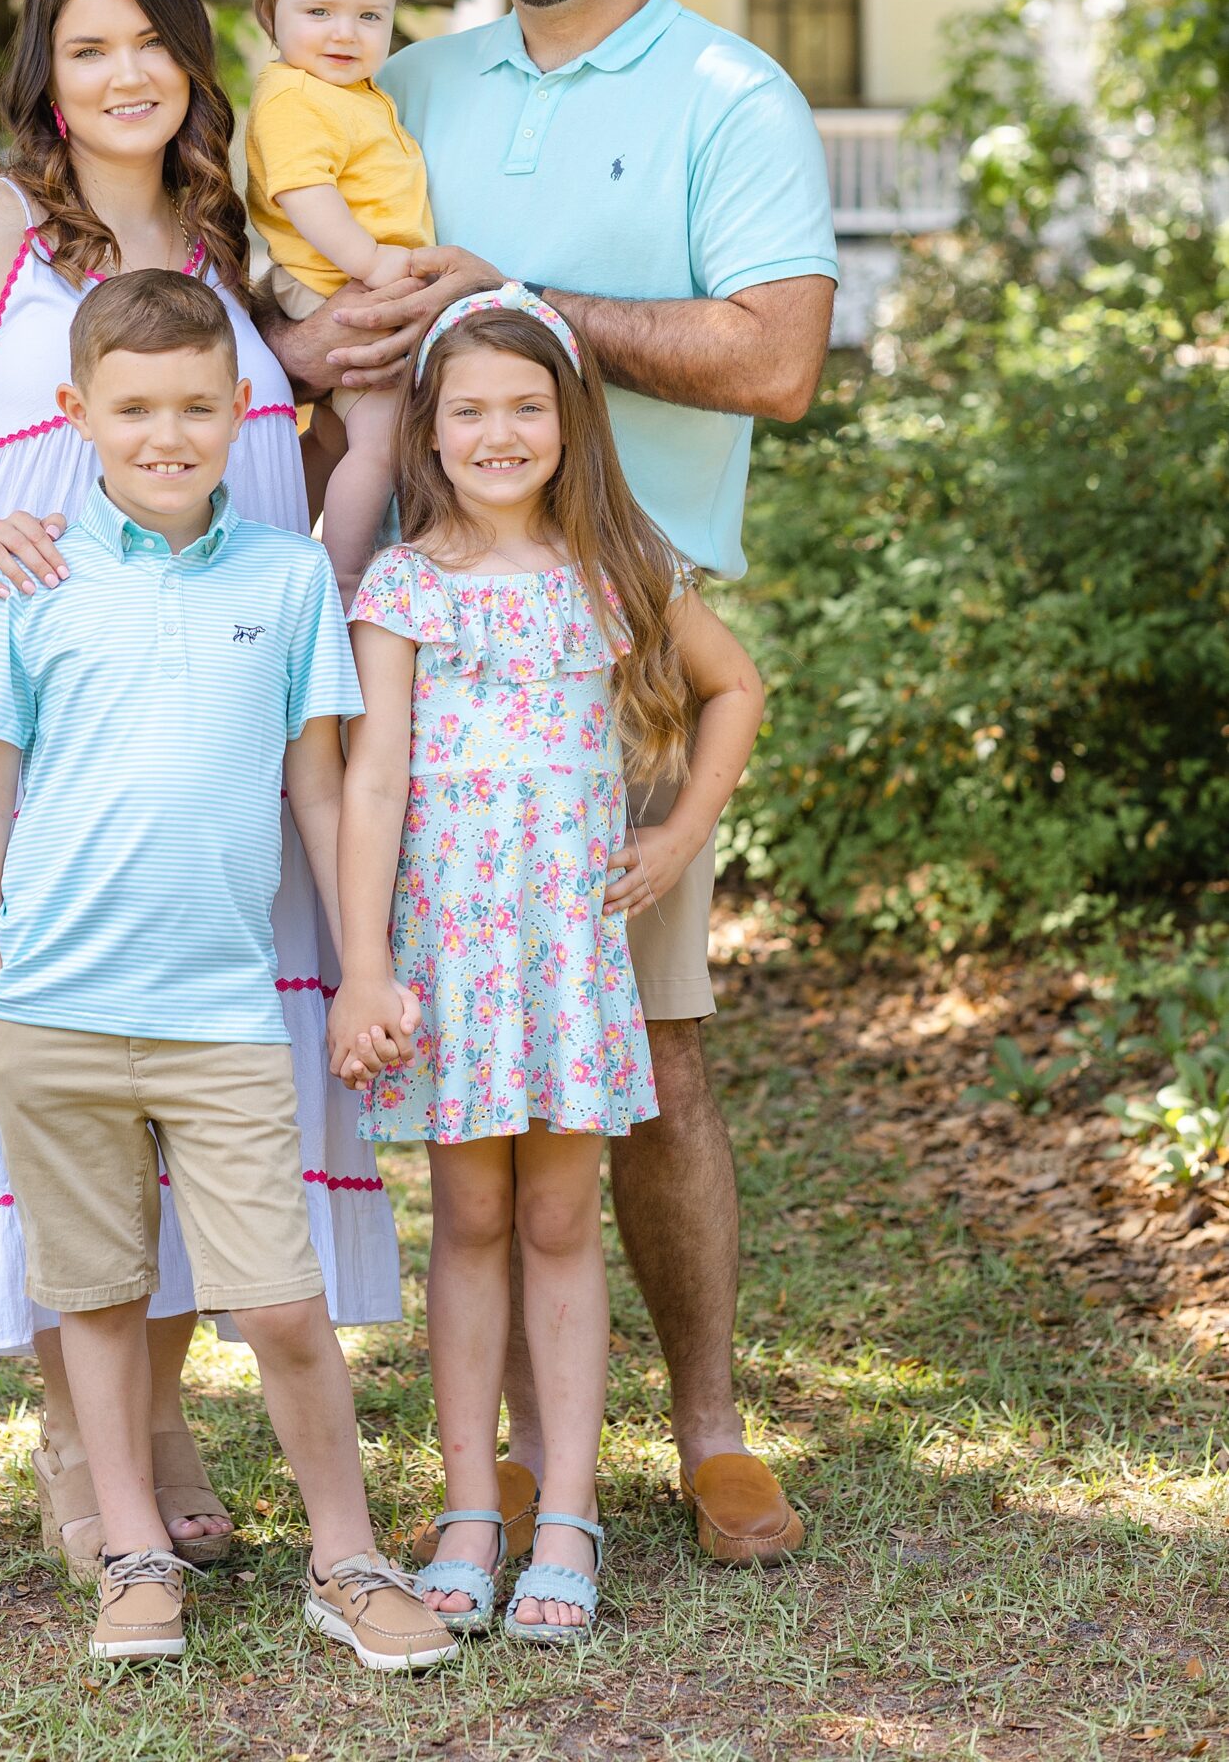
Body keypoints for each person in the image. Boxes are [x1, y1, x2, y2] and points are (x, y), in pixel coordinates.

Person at [263, 0, 838, 1567]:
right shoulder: (405, 79)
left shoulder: (726, 94)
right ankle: (504, 1457)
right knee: (461, 1072)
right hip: (425, 632)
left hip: (627, 638)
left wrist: (512, 301)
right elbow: (301, 284)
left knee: (647, 1059)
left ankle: (710, 1431)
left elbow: (775, 360)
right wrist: (313, 325)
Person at [0, 0, 400, 1581]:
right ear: (45, 75)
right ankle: (86, 1459)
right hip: (32, 703)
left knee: (192, 1051)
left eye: (149, 42)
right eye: (87, 50)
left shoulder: (235, 239)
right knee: (60, 1055)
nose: (124, 75)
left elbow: (297, 428)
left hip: (225, 719)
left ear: (191, 60)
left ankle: (155, 1429)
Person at [0, 270, 453, 1670]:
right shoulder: (28, 576)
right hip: (53, 1014)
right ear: (76, 412)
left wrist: (362, 970)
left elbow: (325, 796)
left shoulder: (284, 583)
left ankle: (345, 1559)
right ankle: (132, 1553)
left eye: (194, 407)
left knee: (277, 1301)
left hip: (219, 1017)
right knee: (99, 1298)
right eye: (134, 408)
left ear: (241, 412)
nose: (166, 433)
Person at [329, 287, 764, 1643]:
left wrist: (677, 833)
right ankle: (471, 1510)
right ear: (431, 427)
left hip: (567, 956)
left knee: (559, 1223)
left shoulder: (613, 572)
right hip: (449, 956)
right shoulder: (404, 581)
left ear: (567, 423)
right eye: (469, 410)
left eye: (525, 408)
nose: (498, 433)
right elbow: (371, 778)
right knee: (464, 1227)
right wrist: (359, 965)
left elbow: (733, 686)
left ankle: (566, 1516)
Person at [244, 0, 433, 604]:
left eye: (368, 17)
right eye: (318, 10)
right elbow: (304, 194)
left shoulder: (350, 94)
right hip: (326, 280)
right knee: (380, 439)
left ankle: (270, 540)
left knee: (331, 431)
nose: (343, 33)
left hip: (345, 276)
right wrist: (373, 263)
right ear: (271, 14)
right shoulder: (295, 95)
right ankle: (346, 580)